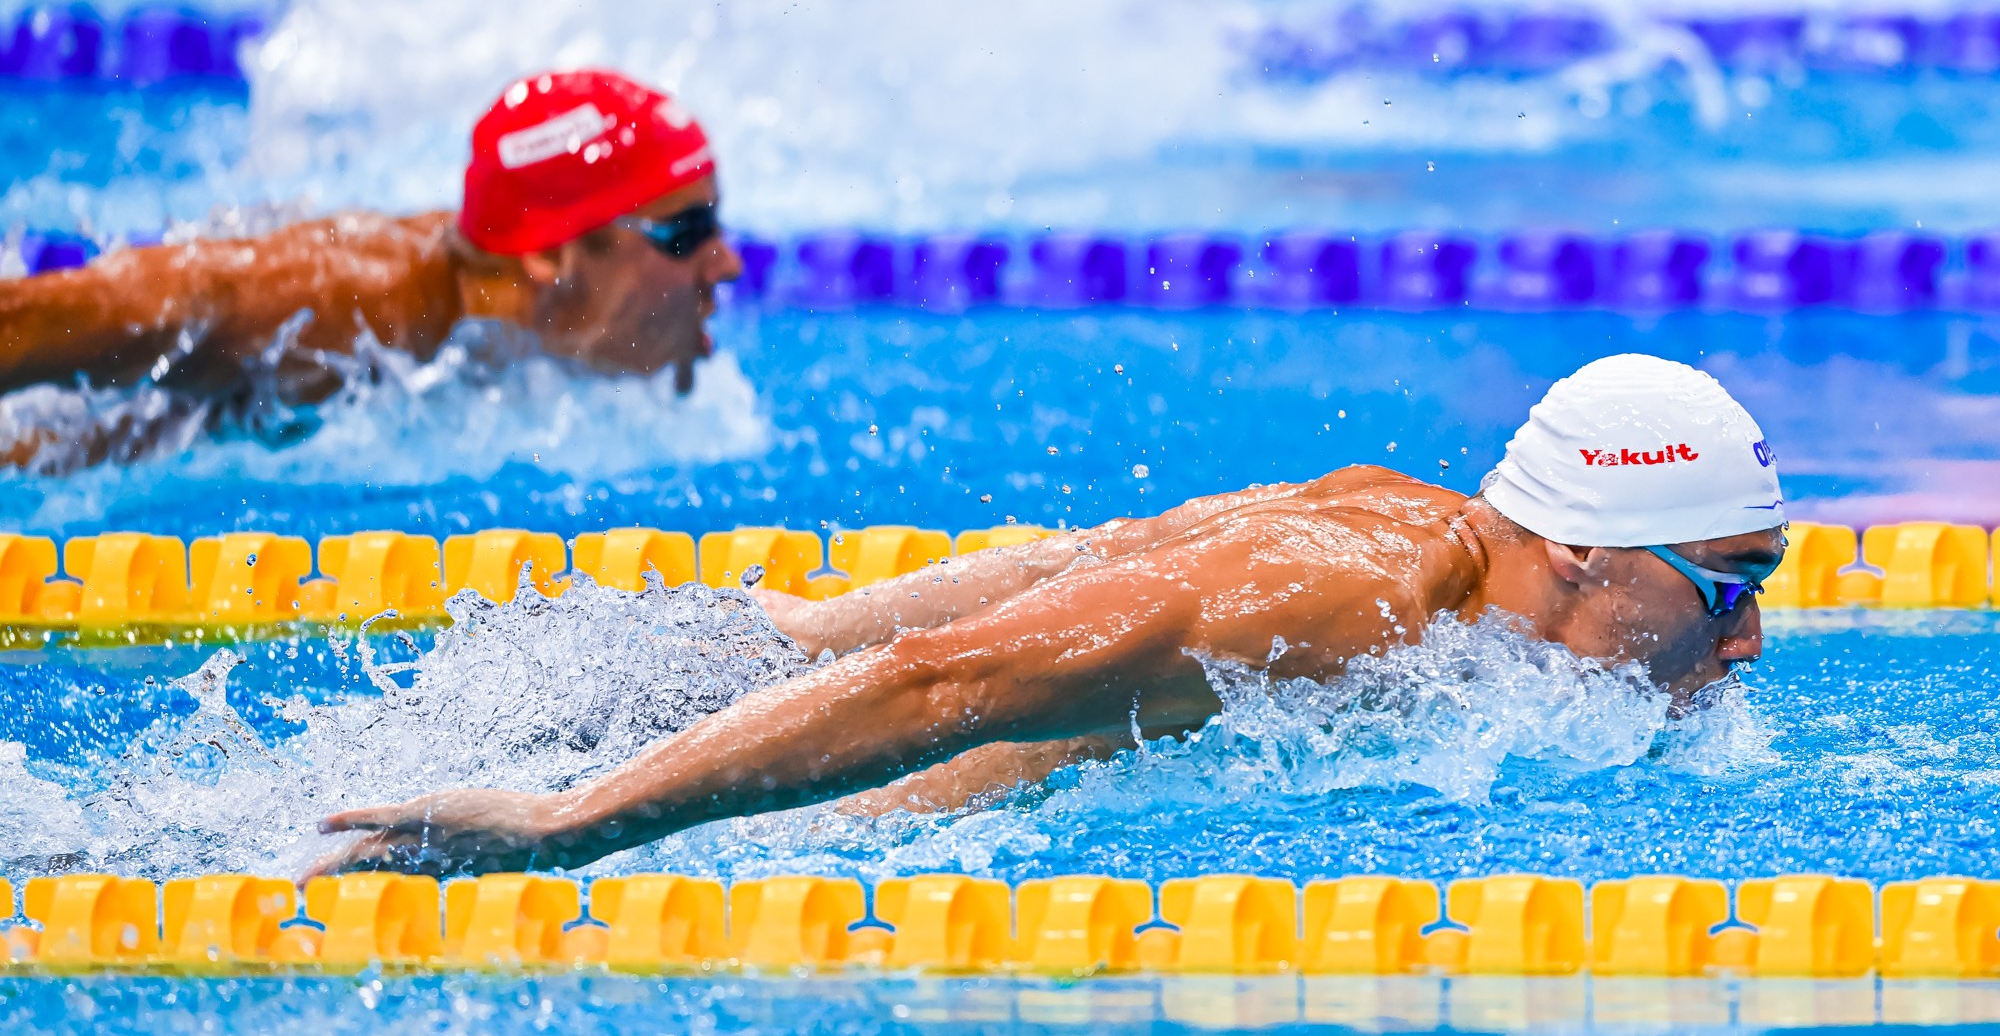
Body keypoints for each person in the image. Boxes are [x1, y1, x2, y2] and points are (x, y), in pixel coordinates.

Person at [310, 353, 1788, 876]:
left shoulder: (1415, 514)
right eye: (1730, 590)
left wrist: (792, 631)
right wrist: (576, 826)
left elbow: (1087, 556)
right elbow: (955, 676)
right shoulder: (1354, 603)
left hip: (762, 720)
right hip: (800, 823)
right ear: (1592, 552)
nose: (1746, 642)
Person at [0, 68, 743, 469]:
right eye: (685, 233)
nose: (729, 262)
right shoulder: (338, 310)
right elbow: (33, 318)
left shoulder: (502, 322)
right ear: (550, 252)